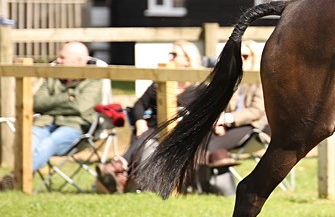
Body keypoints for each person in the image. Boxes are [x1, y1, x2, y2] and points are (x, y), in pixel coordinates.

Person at [97, 40, 203, 194]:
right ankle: (124, 177)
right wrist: (140, 121)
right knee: (146, 136)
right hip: (152, 129)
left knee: (147, 137)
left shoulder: (199, 89)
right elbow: (139, 105)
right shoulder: (160, 83)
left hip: (181, 134)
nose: (170, 58)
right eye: (170, 54)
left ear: (188, 60)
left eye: (174, 55)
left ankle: (120, 168)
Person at [0, 41, 102, 190]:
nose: (58, 60)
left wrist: (53, 105)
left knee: (48, 143)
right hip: (45, 122)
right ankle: (18, 180)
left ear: (79, 61)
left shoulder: (94, 79)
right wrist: (68, 98)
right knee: (28, 141)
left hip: (74, 127)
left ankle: (15, 178)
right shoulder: (53, 76)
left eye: (63, 57)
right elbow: (37, 103)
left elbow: (80, 107)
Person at [196, 42, 266, 196]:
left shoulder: (261, 79)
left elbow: (256, 111)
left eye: (245, 56)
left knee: (211, 145)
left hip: (253, 128)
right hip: (227, 126)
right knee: (199, 140)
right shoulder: (233, 79)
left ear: (255, 58)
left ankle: (213, 188)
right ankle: (204, 187)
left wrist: (226, 118)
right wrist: (218, 122)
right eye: (237, 57)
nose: (241, 60)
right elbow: (219, 105)